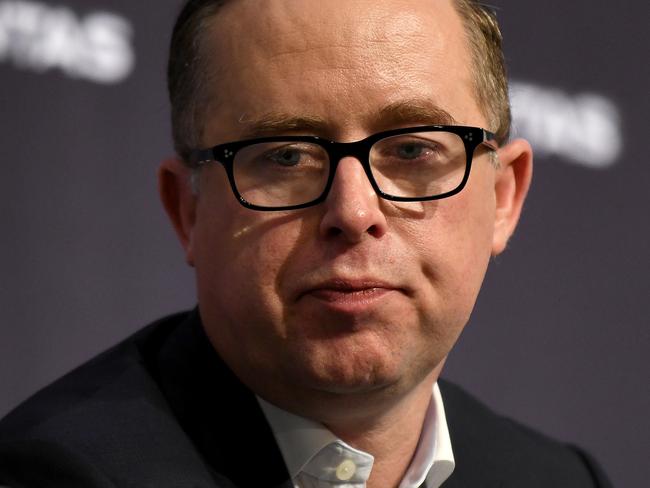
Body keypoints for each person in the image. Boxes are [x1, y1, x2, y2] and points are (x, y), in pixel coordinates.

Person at [0, 0, 613, 487]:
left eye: (412, 149)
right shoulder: (55, 472)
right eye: (286, 155)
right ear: (187, 211)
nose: (353, 211)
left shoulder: (558, 477)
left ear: (504, 198)